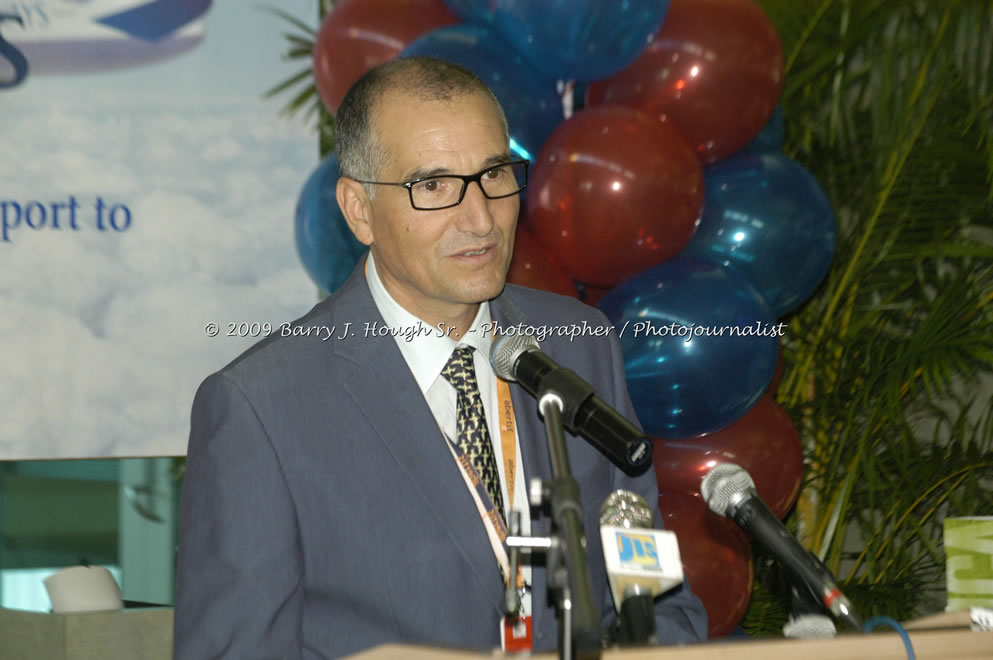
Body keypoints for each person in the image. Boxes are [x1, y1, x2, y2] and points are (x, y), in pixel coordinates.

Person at [174, 56, 708, 659]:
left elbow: (655, 595)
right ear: (358, 210)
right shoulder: (262, 407)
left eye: (495, 175)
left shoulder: (581, 347)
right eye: (433, 186)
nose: (480, 219)